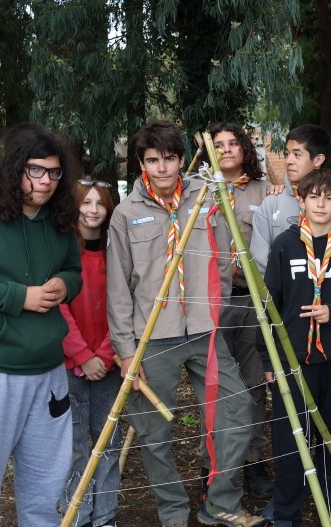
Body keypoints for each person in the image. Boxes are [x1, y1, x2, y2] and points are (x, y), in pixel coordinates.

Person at [107, 120, 260, 527]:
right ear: (141, 163)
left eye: (170, 159)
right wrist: (125, 349)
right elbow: (118, 286)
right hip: (152, 336)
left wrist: (217, 311)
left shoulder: (206, 196)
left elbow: (224, 259)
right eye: (153, 160)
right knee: (153, 431)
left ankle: (221, 501)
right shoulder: (126, 213)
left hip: (205, 329)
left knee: (237, 407)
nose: (162, 169)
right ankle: (173, 512)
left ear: (179, 160)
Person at [0, 124, 82, 526]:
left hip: (49, 373)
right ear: (14, 167)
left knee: (43, 495)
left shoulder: (59, 217)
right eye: (36, 170)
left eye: (55, 173)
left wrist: (62, 285)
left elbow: (74, 271)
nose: (47, 182)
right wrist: (21, 297)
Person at [260, 168, 331, 527]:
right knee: (290, 439)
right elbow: (269, 307)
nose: (321, 204)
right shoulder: (285, 244)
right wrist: (269, 359)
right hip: (293, 359)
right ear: (302, 201)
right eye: (314, 197)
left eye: (329, 198)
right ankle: (286, 512)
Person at [199, 122, 273, 499]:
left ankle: (254, 462)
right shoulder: (196, 190)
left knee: (253, 382)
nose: (226, 150)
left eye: (233, 143)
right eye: (218, 145)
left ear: (245, 148)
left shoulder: (266, 191)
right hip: (209, 303)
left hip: (249, 300)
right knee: (211, 385)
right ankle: (210, 464)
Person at [61, 177, 120, 527]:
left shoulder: (118, 253)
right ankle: (78, 515)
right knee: (74, 447)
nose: (93, 210)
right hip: (70, 363)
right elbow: (59, 307)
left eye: (100, 203)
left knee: (107, 445)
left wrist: (106, 353)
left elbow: (124, 306)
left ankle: (106, 517)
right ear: (76, 207)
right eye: (86, 203)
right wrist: (83, 355)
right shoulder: (63, 251)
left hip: (109, 363)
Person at [250, 124, 331, 275]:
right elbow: (259, 260)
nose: (288, 161)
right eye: (287, 154)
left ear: (318, 160)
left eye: (297, 155)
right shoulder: (271, 203)